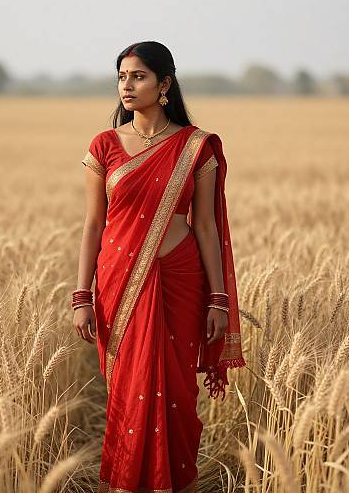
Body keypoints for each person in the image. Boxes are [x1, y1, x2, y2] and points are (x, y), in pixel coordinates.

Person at [72, 41, 245, 493]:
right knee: (130, 393)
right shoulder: (105, 146)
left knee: (178, 395)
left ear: (164, 84)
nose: (127, 86)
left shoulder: (195, 147)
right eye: (122, 77)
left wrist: (219, 298)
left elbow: (206, 227)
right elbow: (93, 225)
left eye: (138, 76)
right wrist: (81, 296)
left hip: (182, 281)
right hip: (119, 282)